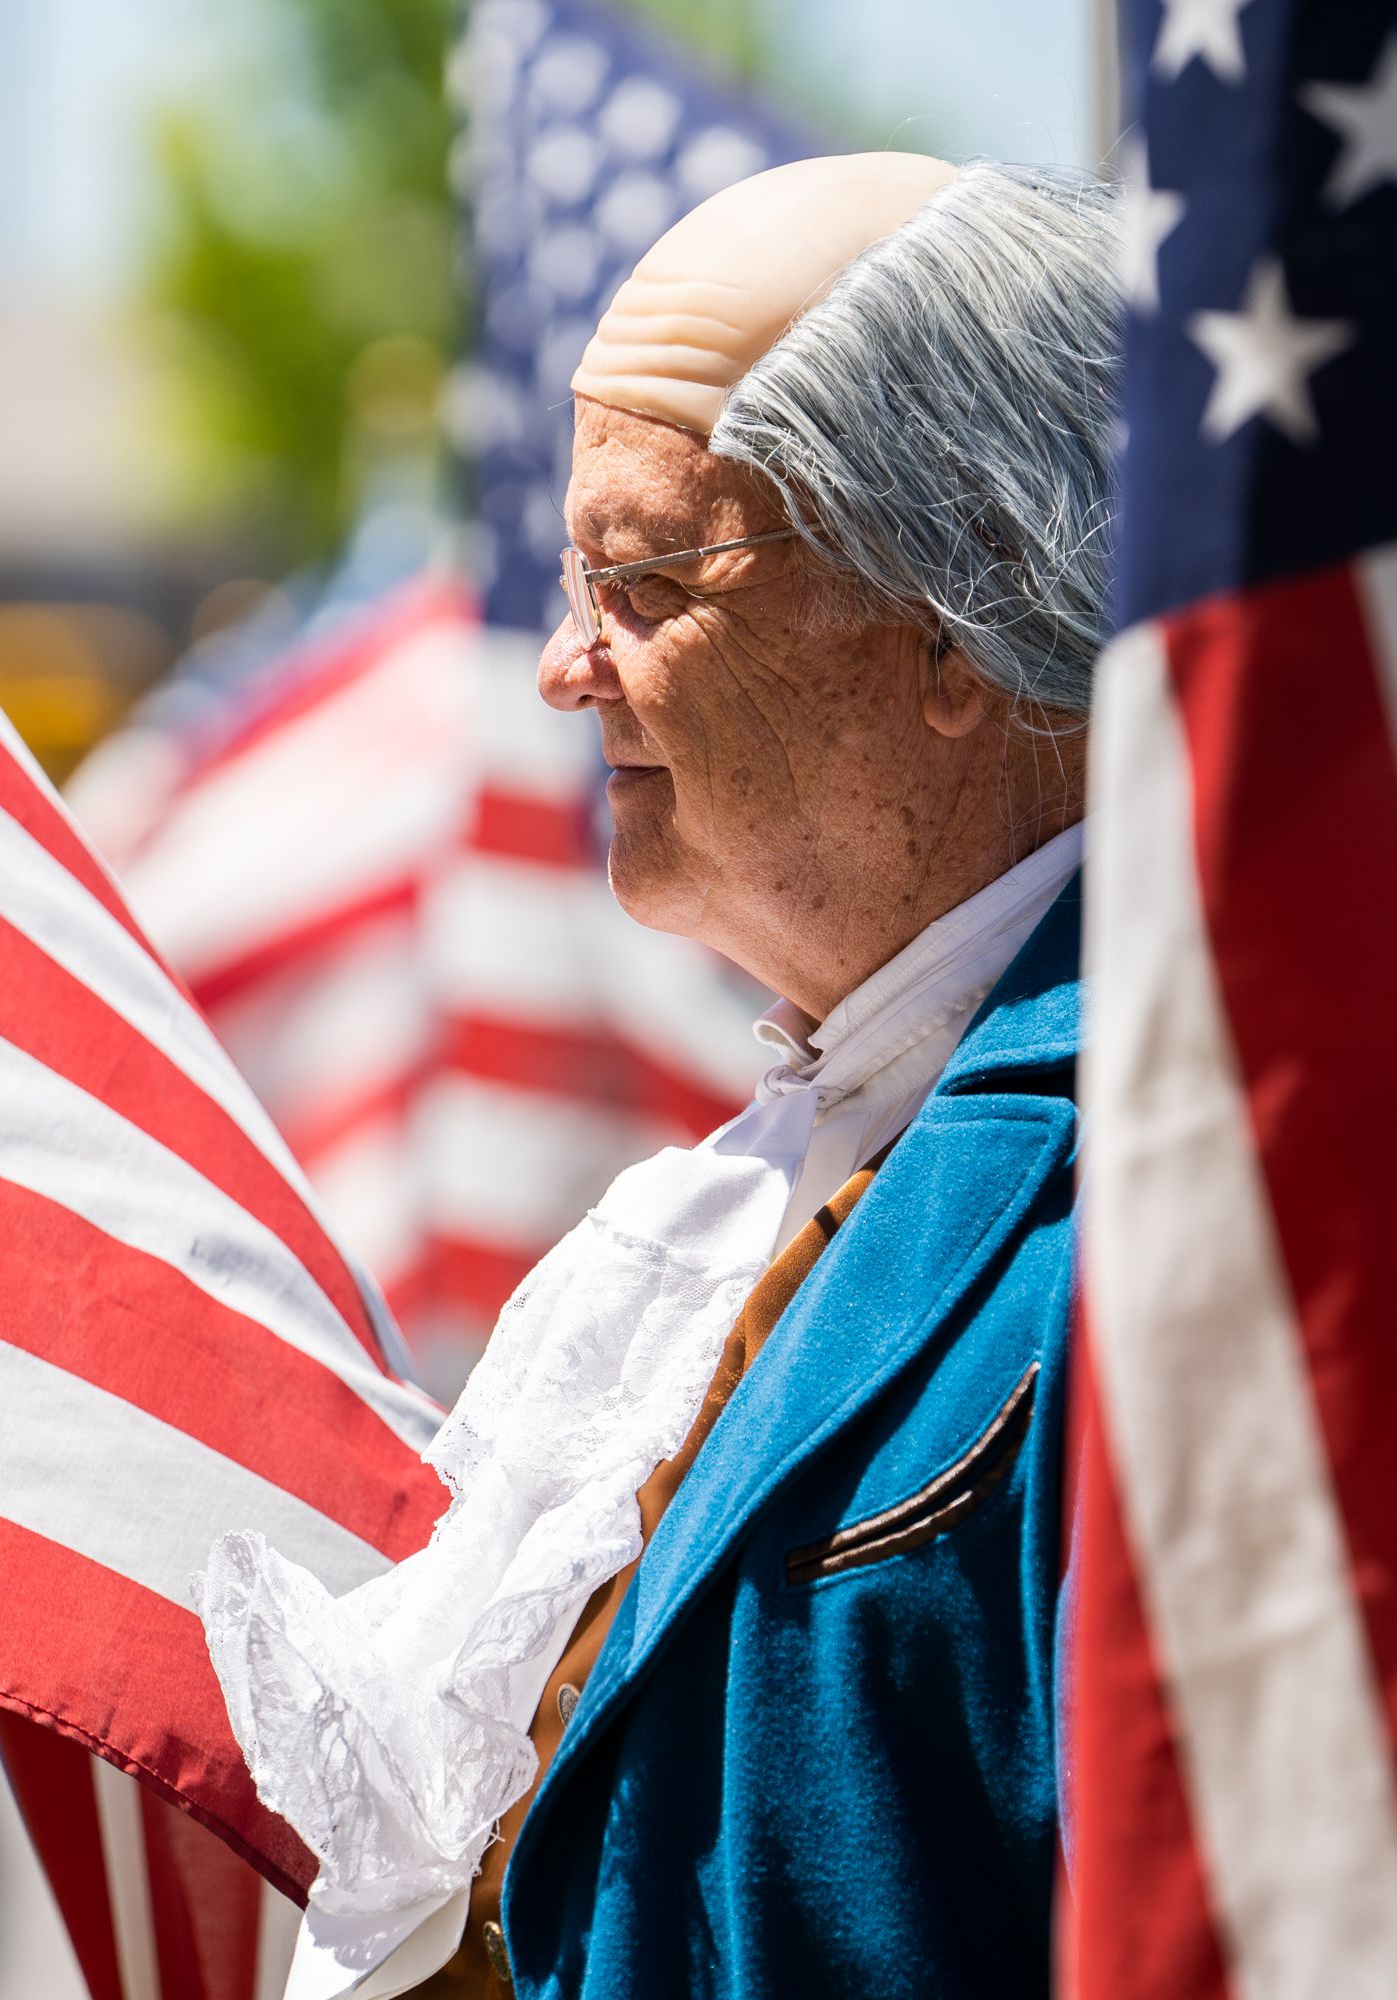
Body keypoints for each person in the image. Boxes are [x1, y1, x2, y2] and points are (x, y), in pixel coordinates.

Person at [199, 150, 1121, 1999]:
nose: (561, 667)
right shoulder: (796, 1171)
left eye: (643, 578)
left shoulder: (1162, 1181)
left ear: (961, 615)